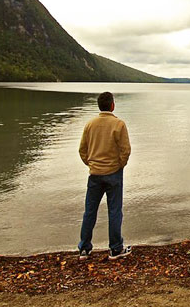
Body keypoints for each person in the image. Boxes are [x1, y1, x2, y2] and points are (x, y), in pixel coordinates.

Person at [77, 91, 132, 260]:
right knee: (115, 211)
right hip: (113, 173)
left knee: (90, 211)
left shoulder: (90, 124)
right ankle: (115, 248)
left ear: (99, 105)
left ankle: (84, 249)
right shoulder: (119, 124)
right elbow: (126, 150)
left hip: (94, 174)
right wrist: (118, 165)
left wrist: (91, 164)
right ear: (112, 105)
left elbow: (82, 150)